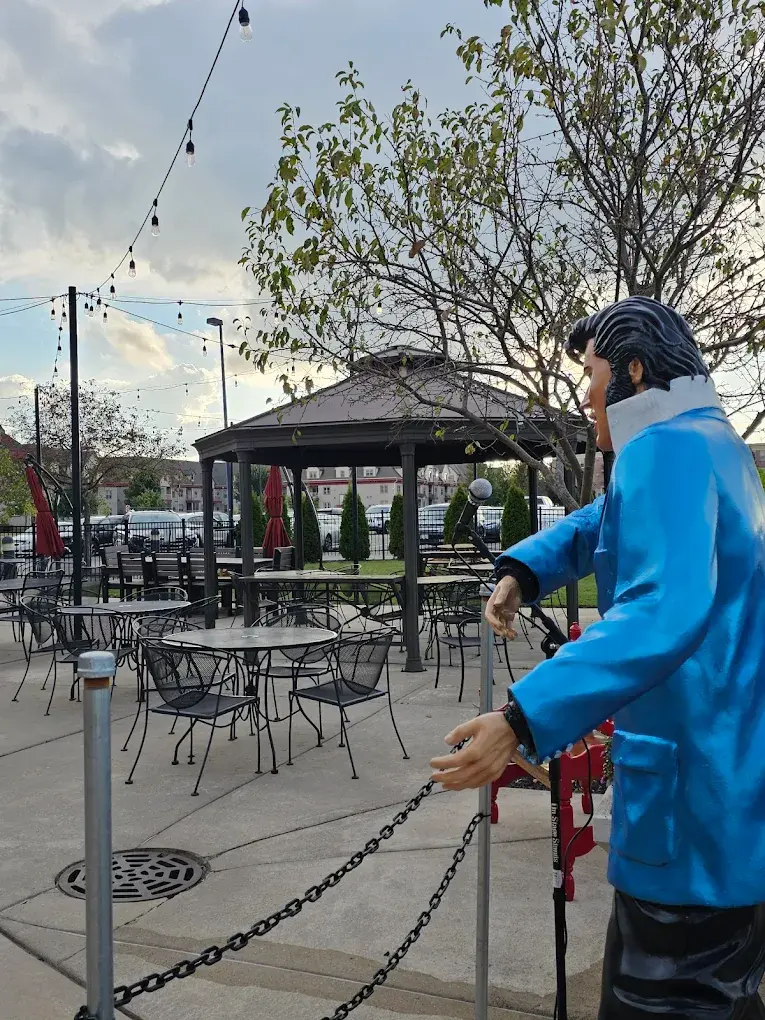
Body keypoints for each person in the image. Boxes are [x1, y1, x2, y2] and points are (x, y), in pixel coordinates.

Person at [431, 297, 765, 1019]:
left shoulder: (665, 450)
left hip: (687, 821)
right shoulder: (709, 441)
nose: (585, 397)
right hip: (725, 803)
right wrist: (523, 571)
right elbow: (602, 522)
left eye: (592, 374)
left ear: (634, 372)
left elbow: (661, 608)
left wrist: (521, 718)